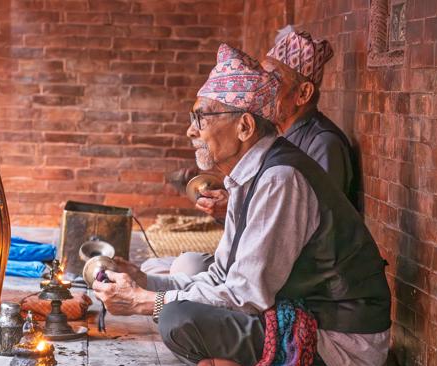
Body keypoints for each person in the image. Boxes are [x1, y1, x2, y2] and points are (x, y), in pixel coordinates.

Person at [93, 44, 391, 366]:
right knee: (179, 297)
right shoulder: (247, 175)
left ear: (245, 126)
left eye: (201, 117)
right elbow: (222, 275)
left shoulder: (280, 179)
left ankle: (262, 365)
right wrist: (146, 284)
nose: (192, 130)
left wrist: (146, 302)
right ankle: (248, 361)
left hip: (341, 339)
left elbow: (245, 296)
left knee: (177, 319)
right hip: (294, 315)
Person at [142, 30, 357, 277]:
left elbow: (306, 233)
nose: (263, 87)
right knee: (159, 269)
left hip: (303, 275)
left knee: (184, 273)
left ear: (303, 94)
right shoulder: (276, 140)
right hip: (263, 263)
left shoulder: (322, 144)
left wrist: (158, 300)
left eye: (274, 80)